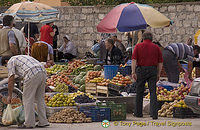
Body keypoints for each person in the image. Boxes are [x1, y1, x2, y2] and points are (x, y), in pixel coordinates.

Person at [4, 55, 49, 128]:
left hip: (32, 72)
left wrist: (10, 95)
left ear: (6, 62)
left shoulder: (10, 61)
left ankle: (29, 123)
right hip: (42, 71)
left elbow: (11, 79)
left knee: (27, 99)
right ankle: (43, 121)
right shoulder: (20, 57)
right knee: (40, 99)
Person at [132, 32, 163, 120]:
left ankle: (138, 113)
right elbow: (160, 62)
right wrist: (158, 73)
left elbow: (134, 60)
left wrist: (133, 72)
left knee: (139, 91)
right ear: (151, 38)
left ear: (143, 38)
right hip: (153, 70)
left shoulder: (138, 46)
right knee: (153, 92)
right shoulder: (156, 47)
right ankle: (154, 114)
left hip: (141, 70)